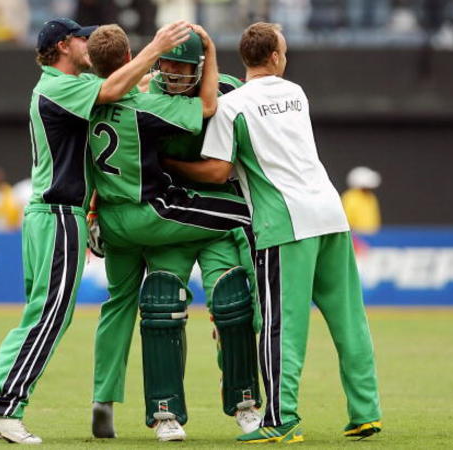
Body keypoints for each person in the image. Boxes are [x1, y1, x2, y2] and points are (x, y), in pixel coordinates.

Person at [0, 17, 194, 444]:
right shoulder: (57, 85)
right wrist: (156, 47)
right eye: (83, 38)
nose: (89, 45)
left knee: (39, 315)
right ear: (65, 45)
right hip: (56, 215)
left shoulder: (56, 87)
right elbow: (110, 90)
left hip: (48, 216)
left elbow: (115, 92)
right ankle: (0, 403)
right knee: (50, 316)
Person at [164, 22, 382, 443]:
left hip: (286, 222)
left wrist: (170, 165)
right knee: (350, 321)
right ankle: (365, 412)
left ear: (245, 58)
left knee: (283, 327)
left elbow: (218, 170)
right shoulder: (296, 93)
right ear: (277, 58)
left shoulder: (233, 106)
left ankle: (281, 419)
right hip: (330, 213)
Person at [89, 27, 262, 441]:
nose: (175, 71)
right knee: (161, 303)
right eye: (169, 63)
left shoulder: (229, 91)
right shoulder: (147, 96)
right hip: (171, 222)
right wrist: (95, 205)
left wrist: (169, 164)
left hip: (213, 218)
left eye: (185, 65)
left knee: (233, 301)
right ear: (158, 61)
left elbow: (225, 166)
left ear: (201, 65)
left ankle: (246, 402)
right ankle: (166, 412)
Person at [341, 166, 382, 234]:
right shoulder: (350, 197)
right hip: (357, 238)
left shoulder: (371, 197)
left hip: (372, 238)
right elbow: (346, 221)